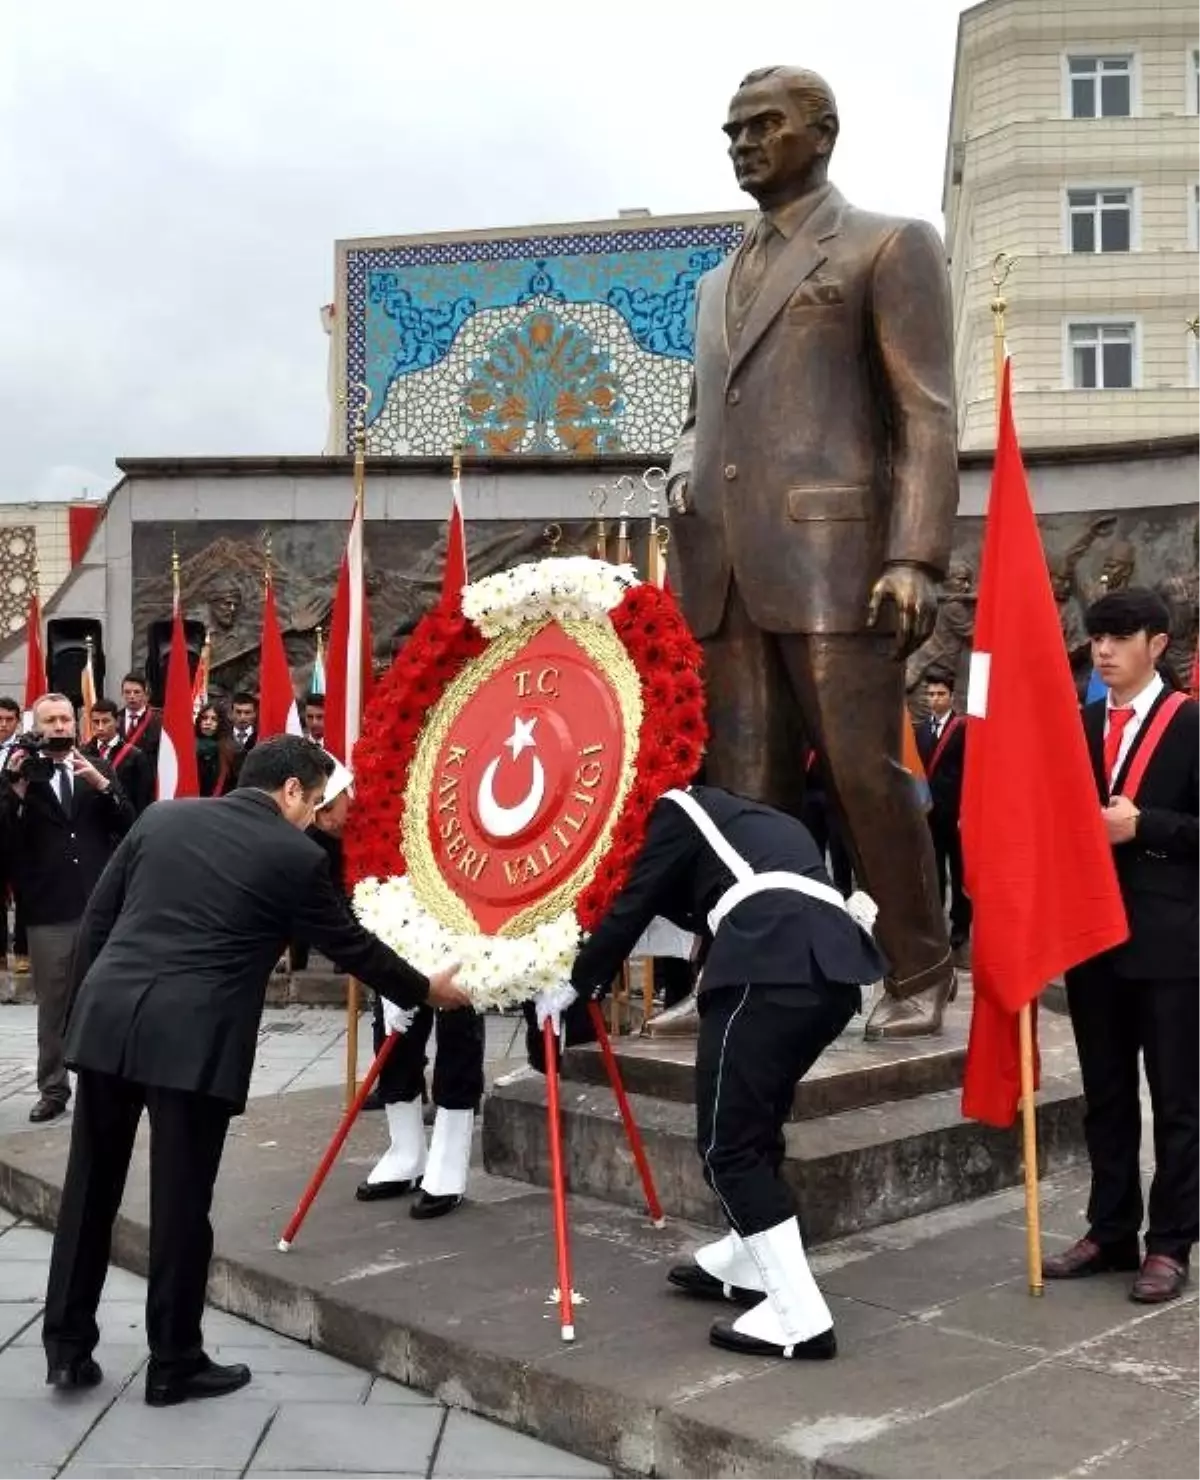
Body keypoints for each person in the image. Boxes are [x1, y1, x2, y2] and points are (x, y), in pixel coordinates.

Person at [665, 66, 959, 1042]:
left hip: (837, 563)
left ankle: (920, 963)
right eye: (731, 129)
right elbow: (703, 415)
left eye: (763, 125)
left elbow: (925, 412)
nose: (743, 142)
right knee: (742, 792)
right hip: (724, 571)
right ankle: (749, 972)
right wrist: (681, 469)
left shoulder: (888, 244)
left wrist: (915, 552)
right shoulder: (713, 284)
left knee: (864, 774)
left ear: (821, 132)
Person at [42, 736, 469, 1405]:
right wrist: (428, 991)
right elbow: (351, 947)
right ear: (291, 790)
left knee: (89, 1186)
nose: (318, 816)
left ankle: (66, 1350)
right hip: (193, 1039)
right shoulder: (294, 856)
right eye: (317, 800)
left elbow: (100, 918)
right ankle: (173, 1362)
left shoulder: (162, 816)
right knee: (180, 1204)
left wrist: (81, 1017)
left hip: (110, 1020)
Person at [534, 784, 885, 1360]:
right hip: (829, 972)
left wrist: (574, 982)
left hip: (769, 962)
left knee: (728, 1148)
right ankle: (750, 1261)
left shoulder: (674, 810)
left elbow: (633, 905)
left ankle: (799, 1316)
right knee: (756, 1126)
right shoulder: (754, 817)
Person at [1045, 590, 1200, 1304]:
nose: (1103, 650)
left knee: (1176, 1099)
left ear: (1158, 643)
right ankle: (1110, 1231)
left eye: (1118, 636)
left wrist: (1148, 827)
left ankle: (1170, 1243)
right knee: (1104, 1094)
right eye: (1096, 637)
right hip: (1090, 937)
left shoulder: (1191, 723)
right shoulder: (1076, 723)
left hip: (1172, 943)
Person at [0, 694, 134, 1122]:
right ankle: (53, 1089)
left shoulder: (99, 767)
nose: (58, 727)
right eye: (49, 721)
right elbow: (4, 844)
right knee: (53, 1004)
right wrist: (16, 790)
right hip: (47, 910)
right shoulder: (20, 775)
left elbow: (131, 824)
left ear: (76, 725)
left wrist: (102, 785)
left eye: (64, 720)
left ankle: (106, 1085)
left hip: (99, 906)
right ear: (36, 728)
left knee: (106, 1000)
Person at [914, 673, 970, 959]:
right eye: (930, 695)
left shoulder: (964, 728)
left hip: (957, 814)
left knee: (959, 870)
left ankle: (961, 925)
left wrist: (967, 811)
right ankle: (936, 926)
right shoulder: (921, 731)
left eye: (940, 694)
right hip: (930, 813)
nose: (934, 699)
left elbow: (970, 774)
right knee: (933, 870)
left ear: (951, 696)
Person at [85, 699, 155, 815]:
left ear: (117, 721)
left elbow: (143, 798)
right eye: (96, 722)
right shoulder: (83, 754)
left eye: (106, 721)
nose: (100, 727)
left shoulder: (135, 756)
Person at [0, 696, 26, 970]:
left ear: (17, 722)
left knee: (23, 896)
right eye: (0, 719)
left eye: (9, 720)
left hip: (17, 835)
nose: (3, 725)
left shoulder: (24, 752)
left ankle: (22, 956)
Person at [194, 703, 241, 798]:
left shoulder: (232, 750)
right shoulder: (188, 747)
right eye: (204, 718)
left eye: (214, 719)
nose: (208, 722)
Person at [118, 673, 161, 771]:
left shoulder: (158, 721)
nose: (131, 696)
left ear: (145, 694)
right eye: (127, 692)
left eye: (136, 692)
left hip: (148, 777)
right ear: (122, 694)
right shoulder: (115, 718)